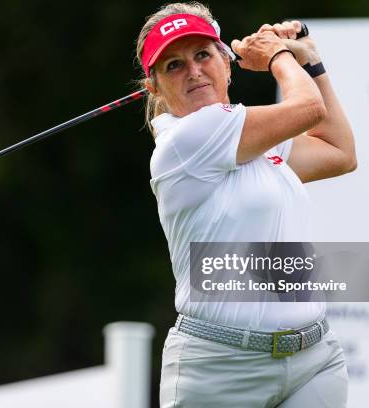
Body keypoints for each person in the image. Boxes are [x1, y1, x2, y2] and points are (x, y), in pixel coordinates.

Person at [135, 2, 356, 408]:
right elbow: (307, 109)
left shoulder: (250, 137)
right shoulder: (187, 141)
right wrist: (279, 56)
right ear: (154, 88)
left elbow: (339, 152)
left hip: (314, 358)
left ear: (226, 62)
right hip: (220, 368)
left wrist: (313, 63)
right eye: (174, 66)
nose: (194, 70)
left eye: (202, 54)